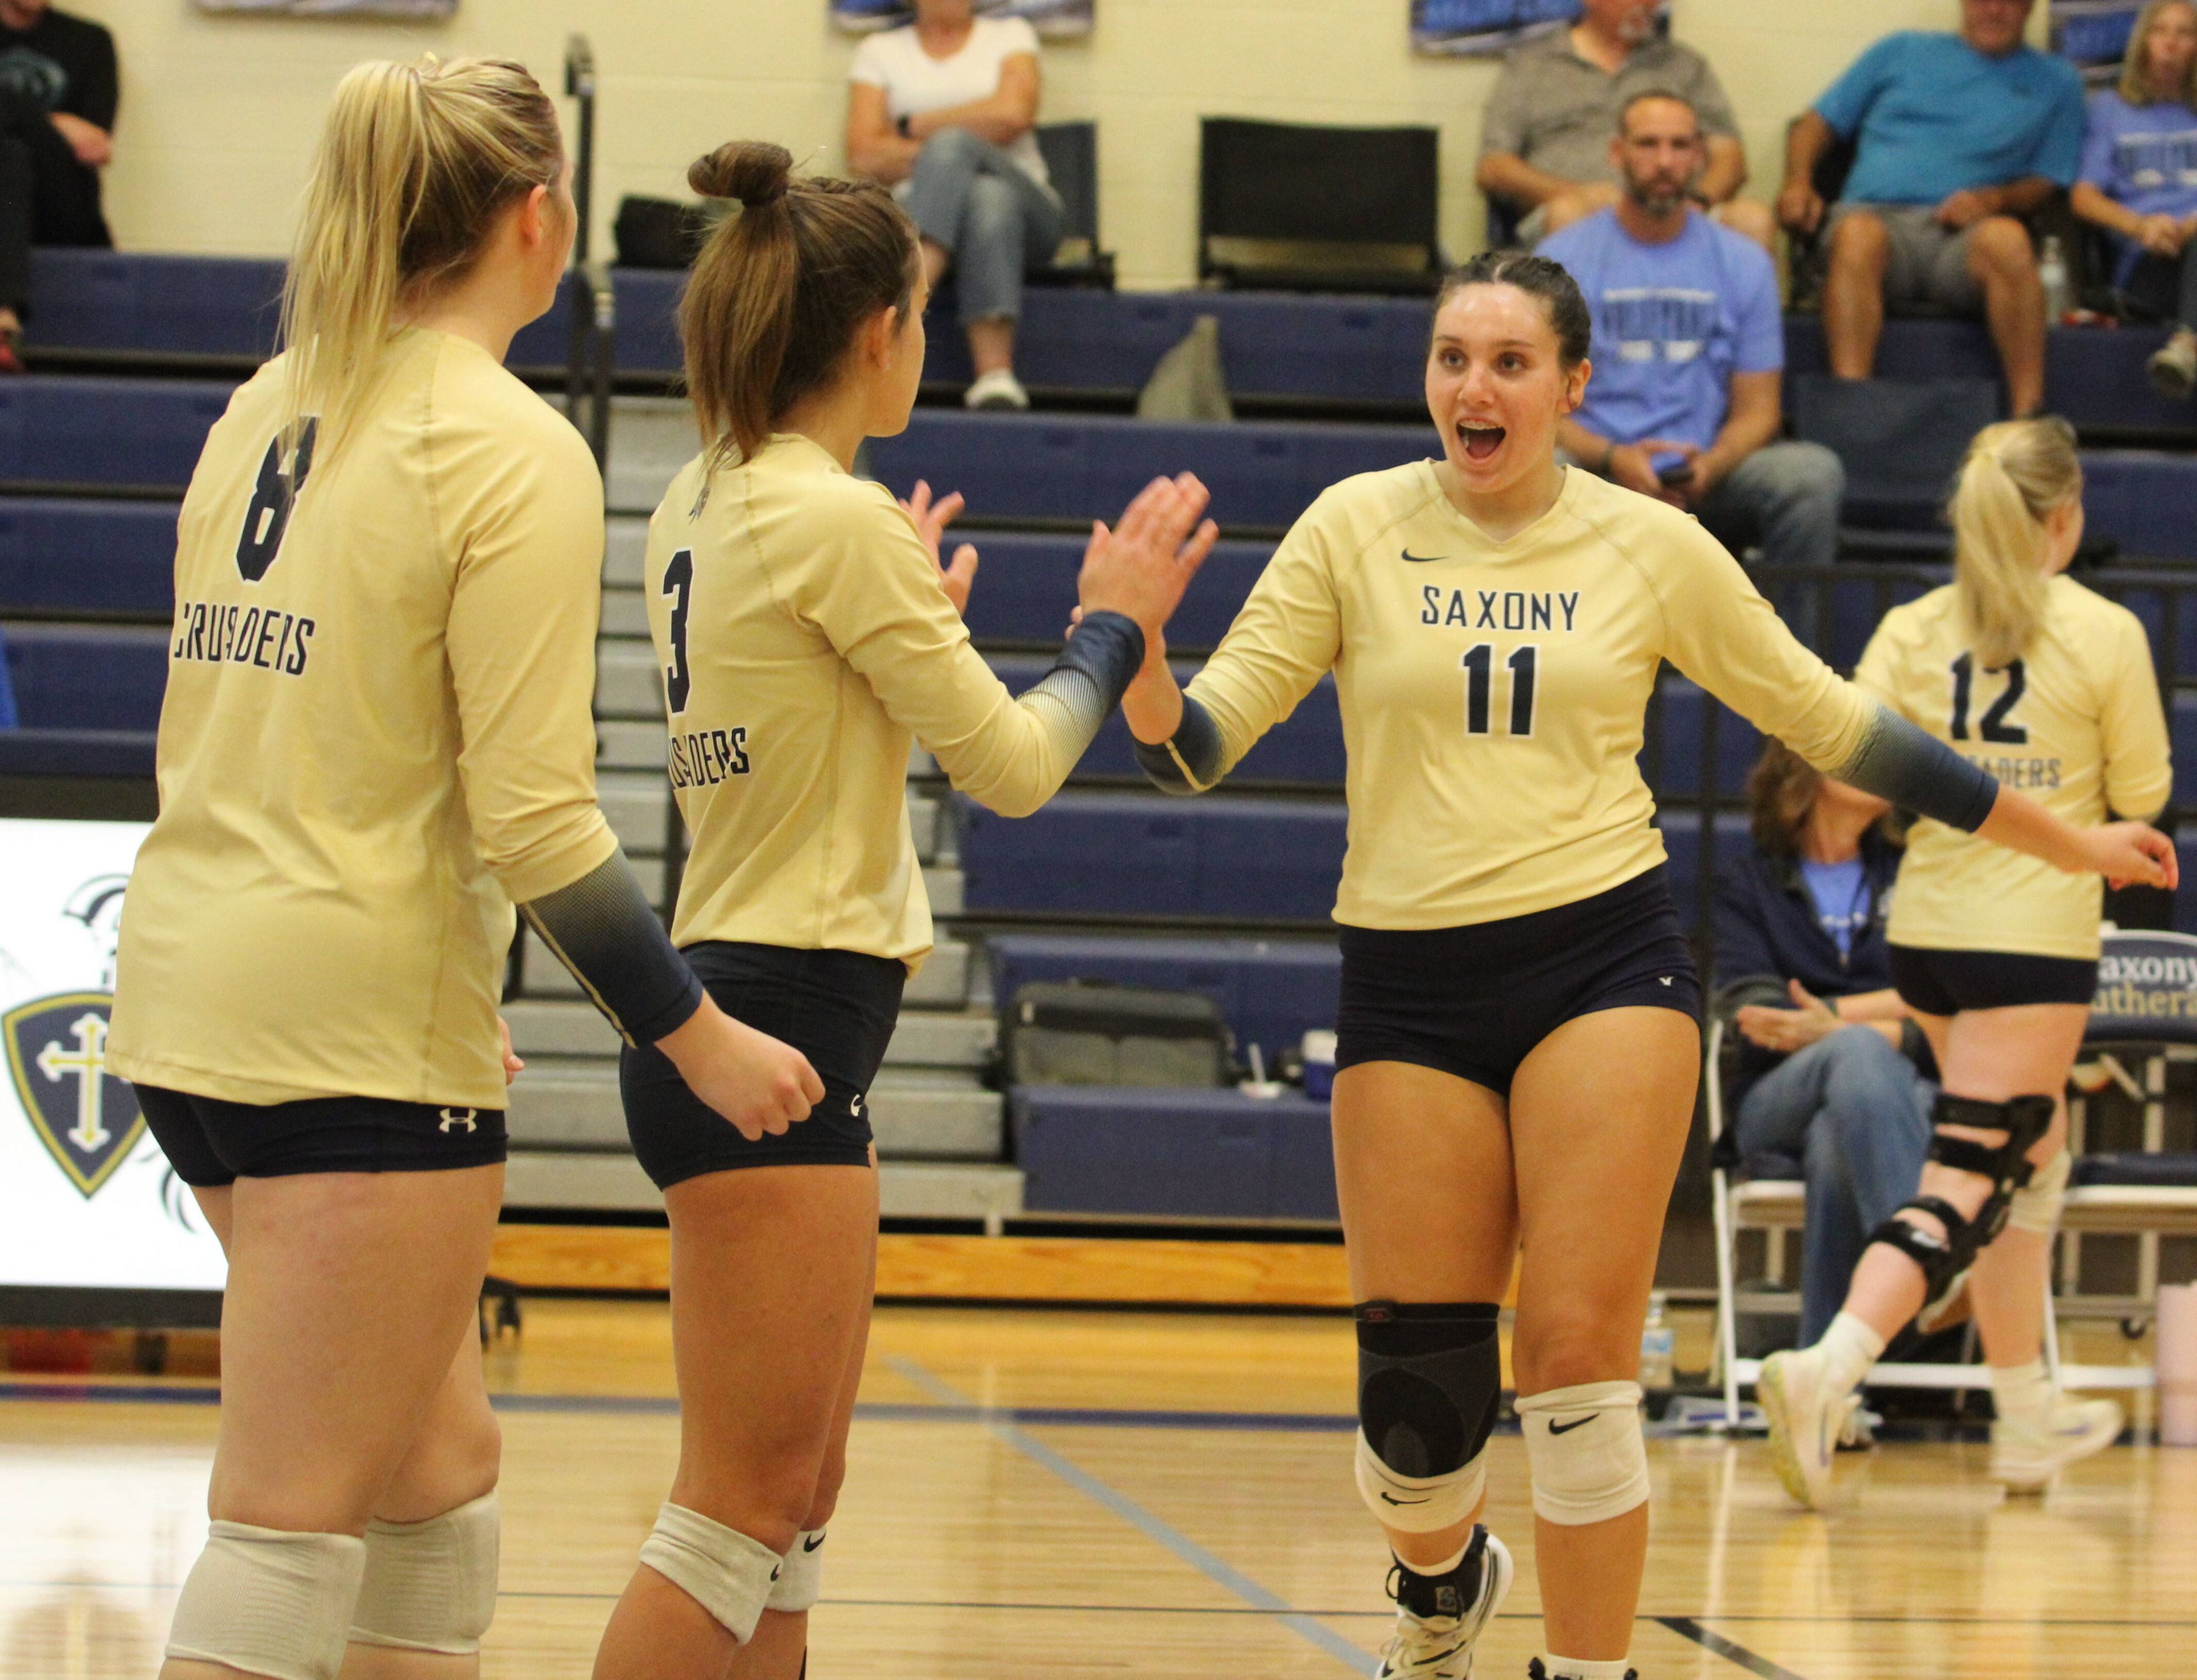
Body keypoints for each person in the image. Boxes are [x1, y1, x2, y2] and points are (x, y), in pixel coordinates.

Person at [1115, 251, 2172, 1680]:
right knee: (1416, 1423)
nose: (1471, 387)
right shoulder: (1353, 525)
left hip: (1598, 965)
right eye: (1450, 357)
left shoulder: (1650, 544)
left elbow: (1839, 725)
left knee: (1574, 1359)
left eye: (1505, 361)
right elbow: (1198, 745)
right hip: (1408, 981)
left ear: (1571, 385)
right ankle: (1439, 1588)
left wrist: (2062, 841)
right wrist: (1138, 659)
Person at [106, 57, 820, 1680]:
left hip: (193, 989)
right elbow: (539, 820)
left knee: (439, 1480)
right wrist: (691, 1033)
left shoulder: (270, 396)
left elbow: (246, 725)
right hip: (343, 1030)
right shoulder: (508, 446)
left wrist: (443, 969)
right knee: (290, 1522)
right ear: (539, 214)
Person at [588, 141, 1216, 1680]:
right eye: (922, 320)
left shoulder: (704, 493)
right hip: (777, 1011)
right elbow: (1010, 769)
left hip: (761, 998)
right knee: (738, 1512)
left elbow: (798, 697)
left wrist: (909, 613)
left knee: (797, 1508)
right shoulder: (831, 515)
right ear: (880, 333)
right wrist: (1110, 629)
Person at [1758, 418, 2174, 1510]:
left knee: (2033, 1162)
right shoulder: (2102, 631)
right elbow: (2144, 797)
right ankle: (1830, 1365)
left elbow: (1850, 772)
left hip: (1930, 929)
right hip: (2030, 939)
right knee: (1975, 1167)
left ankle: (2025, 1409)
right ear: (2065, 518)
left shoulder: (1909, 627)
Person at [1541, 92, 1845, 590]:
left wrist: (1710, 466)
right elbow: (1542, 411)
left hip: (1704, 473)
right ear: (1618, 154)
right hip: (1596, 472)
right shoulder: (1562, 260)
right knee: (1540, 467)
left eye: (1680, 146)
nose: (1665, 161)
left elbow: (1760, 411)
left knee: (1812, 475)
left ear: (1700, 157)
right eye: (1648, 145)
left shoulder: (1745, 263)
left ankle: (1784, 661)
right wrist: (1616, 459)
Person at [1714, 740, 1934, 1349]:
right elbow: (1757, 1012)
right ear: (1803, 766)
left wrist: (1836, 1017)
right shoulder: (1750, 884)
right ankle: (1926, 1268)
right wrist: (1872, 1024)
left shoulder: (1912, 873)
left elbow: (1948, 999)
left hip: (1891, 1092)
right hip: (1775, 1096)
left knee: (1837, 1137)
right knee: (1858, 1054)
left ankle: (1828, 1385)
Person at [1779, 0, 2087, 419]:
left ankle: (2028, 423)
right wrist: (1798, 182)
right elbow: (1814, 126)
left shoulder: (2059, 82)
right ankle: (1853, 416)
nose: (1993, 10)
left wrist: (1994, 201)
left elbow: (2049, 180)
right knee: (1857, 236)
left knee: (2010, 240)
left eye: (2009, 2)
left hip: (1965, 239)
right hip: (1878, 222)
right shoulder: (1901, 50)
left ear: (2030, 8)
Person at [844, 0, 1062, 411]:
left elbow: (1015, 113)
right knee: (986, 198)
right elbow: (864, 154)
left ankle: (909, 302)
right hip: (928, 206)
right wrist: (954, 157)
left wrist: (913, 125)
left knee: (954, 146)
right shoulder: (878, 50)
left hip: (1031, 212)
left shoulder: (1011, 35)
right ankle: (995, 377)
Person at [1477, 0, 1771, 252]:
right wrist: (1579, 195)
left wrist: (1696, 202)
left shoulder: (1684, 65)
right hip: (1577, 210)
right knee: (1567, 215)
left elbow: (1730, 158)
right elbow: (1494, 167)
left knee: (1754, 220)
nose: (1649, 4)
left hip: (1676, 209)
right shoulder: (1532, 65)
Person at [2069, 0, 2197, 398]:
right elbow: (2083, 197)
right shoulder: (2110, 109)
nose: (2171, 44)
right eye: (2161, 31)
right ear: (2143, 41)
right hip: (2146, 264)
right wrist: (2141, 227)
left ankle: (2188, 346)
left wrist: (2189, 227)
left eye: (2185, 33)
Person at [0, 0, 117, 370]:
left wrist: (25, 117)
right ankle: (3, 318)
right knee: (9, 154)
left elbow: (96, 146)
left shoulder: (89, 40)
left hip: (62, 206)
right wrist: (61, 124)